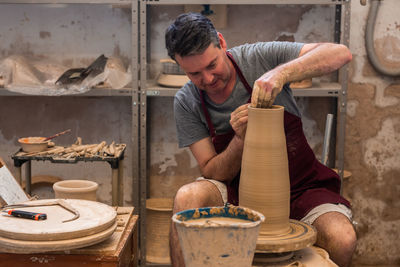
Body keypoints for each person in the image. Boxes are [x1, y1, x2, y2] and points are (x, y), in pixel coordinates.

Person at [165, 12, 357, 267]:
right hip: (236, 191)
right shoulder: (187, 101)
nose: (208, 80)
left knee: (342, 239)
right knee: (187, 198)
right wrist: (240, 140)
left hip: (303, 186)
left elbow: (340, 53)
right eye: (194, 73)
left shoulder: (258, 57)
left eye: (212, 65)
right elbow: (211, 170)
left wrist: (281, 74)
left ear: (221, 43)